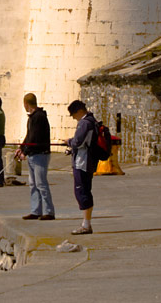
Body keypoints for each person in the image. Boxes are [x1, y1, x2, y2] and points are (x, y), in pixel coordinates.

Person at [16, 93, 54, 221]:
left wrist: (24, 152)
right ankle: (35, 210)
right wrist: (21, 148)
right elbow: (29, 136)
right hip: (33, 154)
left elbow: (35, 138)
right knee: (33, 184)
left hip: (40, 155)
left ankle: (49, 211)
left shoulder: (39, 117)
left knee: (41, 183)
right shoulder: (32, 118)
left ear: (26, 104)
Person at [66, 99, 100, 235]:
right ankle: (86, 223)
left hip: (83, 162)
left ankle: (86, 225)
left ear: (79, 111)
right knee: (84, 190)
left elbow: (78, 142)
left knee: (82, 191)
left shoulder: (85, 123)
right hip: (87, 161)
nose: (74, 118)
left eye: (74, 115)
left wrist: (68, 141)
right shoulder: (91, 121)